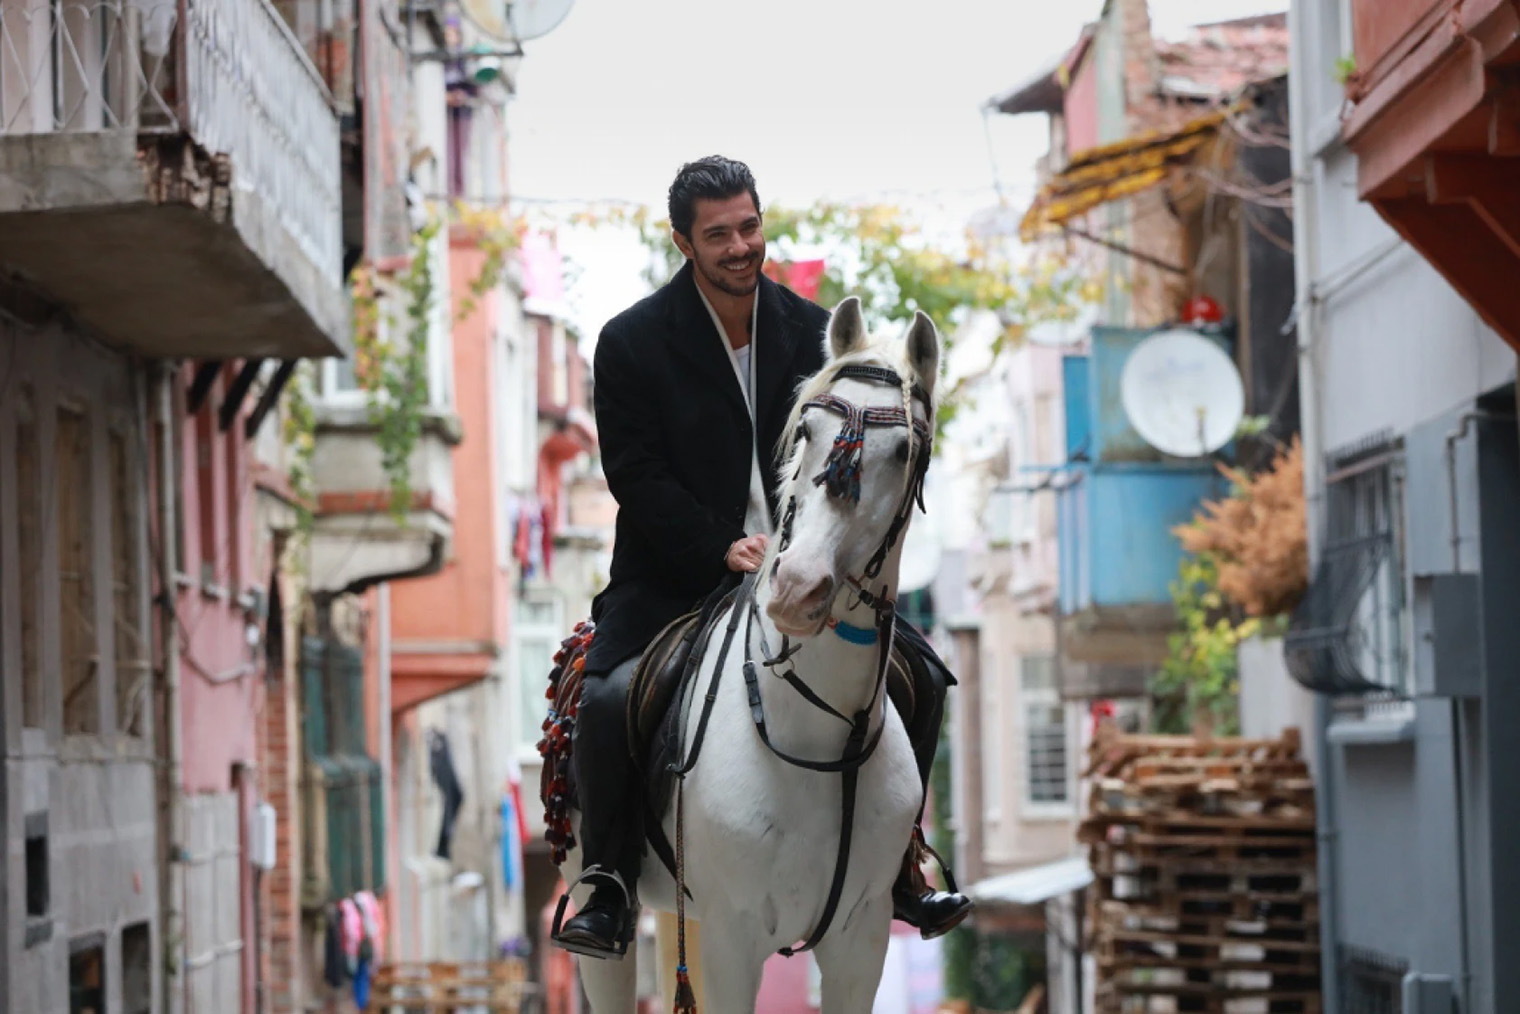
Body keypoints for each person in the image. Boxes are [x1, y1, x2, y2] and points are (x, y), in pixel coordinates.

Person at [554, 156, 971, 958]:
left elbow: (850, 462)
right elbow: (633, 474)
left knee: (922, 677)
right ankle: (605, 881)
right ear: (684, 242)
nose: (741, 246)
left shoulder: (816, 331)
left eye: (749, 226)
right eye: (719, 235)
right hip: (676, 574)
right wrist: (720, 544)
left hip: (809, 567)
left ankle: (904, 864)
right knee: (605, 701)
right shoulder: (631, 342)